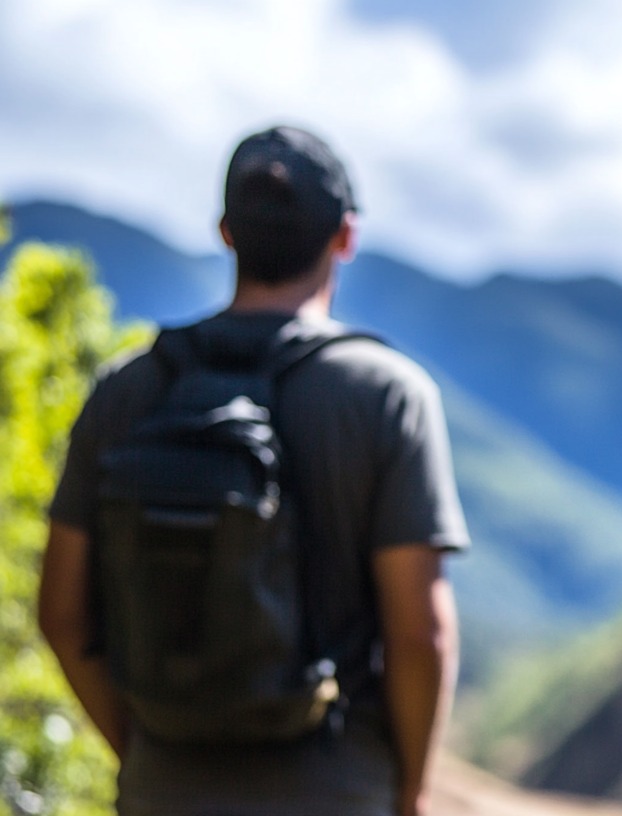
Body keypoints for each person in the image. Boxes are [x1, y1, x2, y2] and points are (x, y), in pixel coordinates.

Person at [38, 125, 469, 816]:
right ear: (345, 236)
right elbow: (421, 633)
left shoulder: (126, 390)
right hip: (338, 790)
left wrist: (145, 750)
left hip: (162, 788)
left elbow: (61, 614)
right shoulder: (387, 394)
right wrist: (410, 792)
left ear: (226, 232)